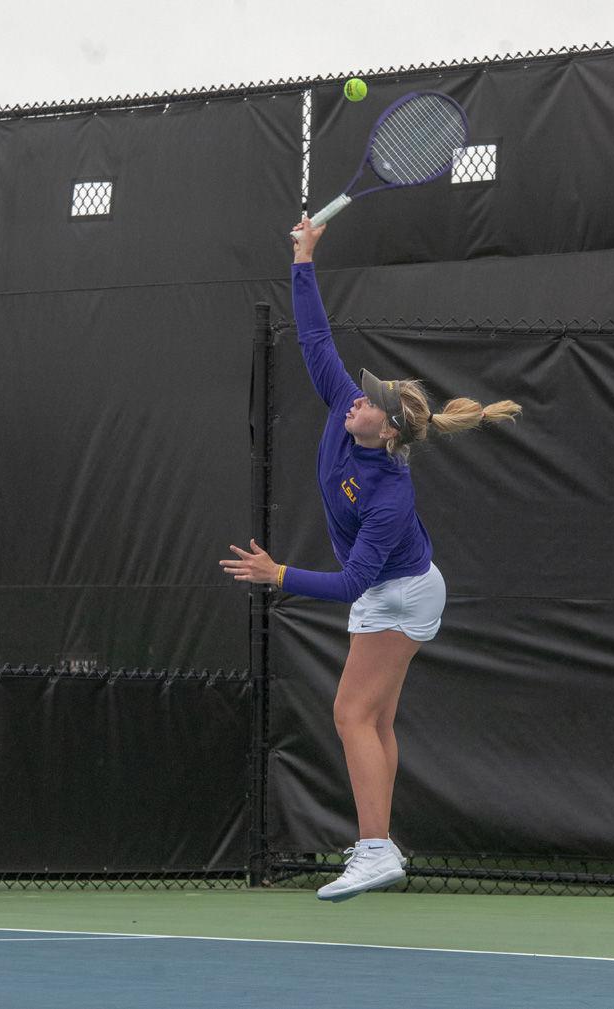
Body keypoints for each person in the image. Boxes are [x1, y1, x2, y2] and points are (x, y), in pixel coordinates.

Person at [219, 219, 522, 902]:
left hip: (404, 594)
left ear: (388, 431)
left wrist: (280, 576)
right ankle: (379, 844)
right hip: (391, 591)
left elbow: (359, 580)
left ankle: (376, 849)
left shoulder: (390, 490)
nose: (358, 398)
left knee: (350, 715)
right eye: (361, 394)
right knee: (374, 720)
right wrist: (304, 257)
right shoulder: (340, 408)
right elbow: (314, 336)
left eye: (371, 403)